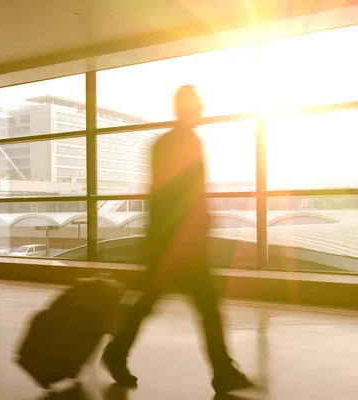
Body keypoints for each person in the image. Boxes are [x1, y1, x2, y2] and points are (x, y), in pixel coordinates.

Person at [101, 85, 253, 394]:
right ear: (185, 109)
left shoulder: (167, 142)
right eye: (197, 105)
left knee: (152, 303)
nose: (202, 110)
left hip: (170, 241)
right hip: (181, 243)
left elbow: (160, 192)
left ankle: (118, 352)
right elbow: (182, 193)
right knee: (202, 308)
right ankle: (222, 371)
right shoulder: (185, 142)